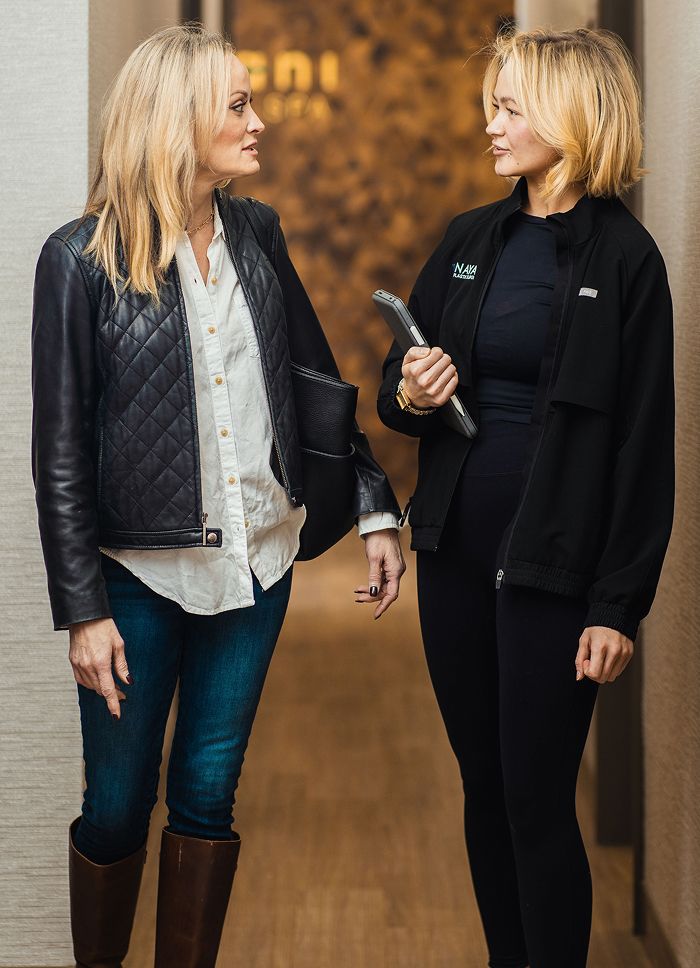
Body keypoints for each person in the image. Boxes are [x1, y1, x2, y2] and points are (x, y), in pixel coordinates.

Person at [32, 24, 403, 968]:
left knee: (206, 795)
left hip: (257, 564)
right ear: (174, 119)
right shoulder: (78, 261)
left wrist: (373, 504)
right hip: (135, 585)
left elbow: (313, 381)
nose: (259, 120)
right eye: (238, 104)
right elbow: (61, 452)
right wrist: (81, 611)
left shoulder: (257, 230)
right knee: (117, 808)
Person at [377, 27, 674, 968]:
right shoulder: (471, 238)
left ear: (571, 114)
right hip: (456, 552)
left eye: (508, 107)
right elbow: (399, 382)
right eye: (489, 107)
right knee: (482, 783)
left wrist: (618, 604)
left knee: (536, 796)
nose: (490, 126)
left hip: (556, 569)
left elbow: (642, 448)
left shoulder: (628, 261)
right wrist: (410, 390)